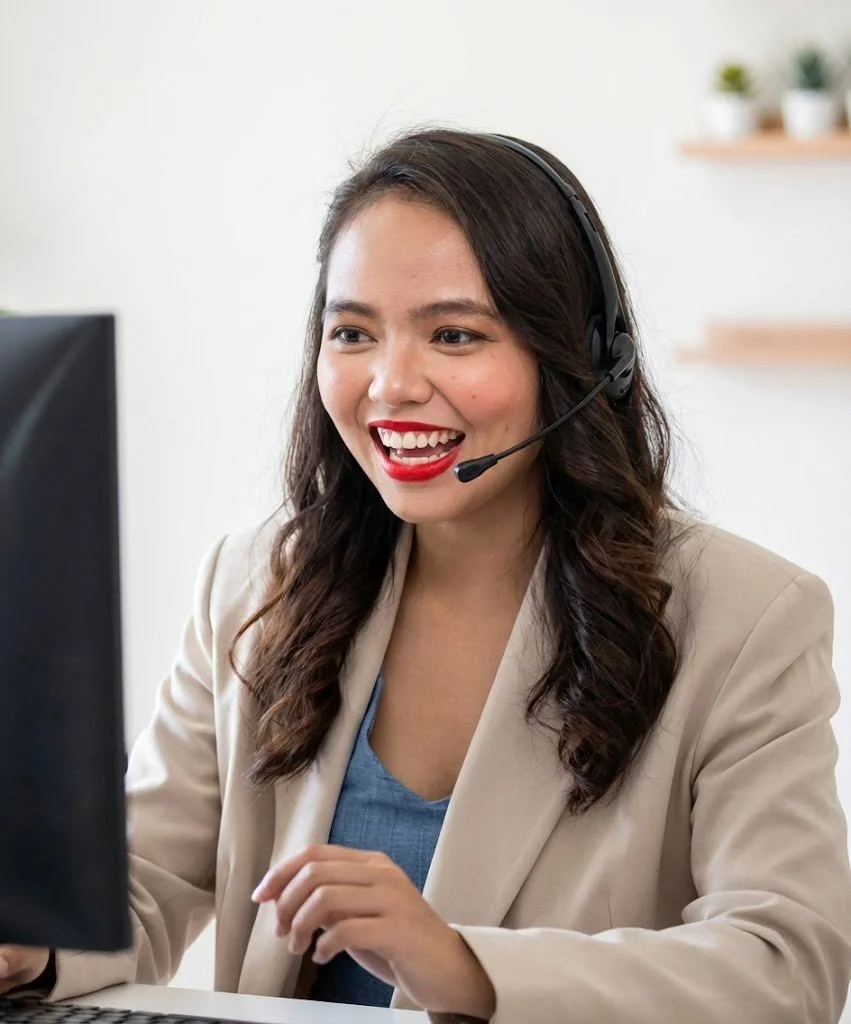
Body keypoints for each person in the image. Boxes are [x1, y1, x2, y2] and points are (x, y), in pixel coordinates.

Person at [1, 127, 849, 1024]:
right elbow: (143, 881)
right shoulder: (257, 583)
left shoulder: (746, 615)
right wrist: (32, 940)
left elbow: (784, 963)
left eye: (453, 334)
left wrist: (464, 967)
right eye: (352, 333)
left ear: (576, 361)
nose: (390, 385)